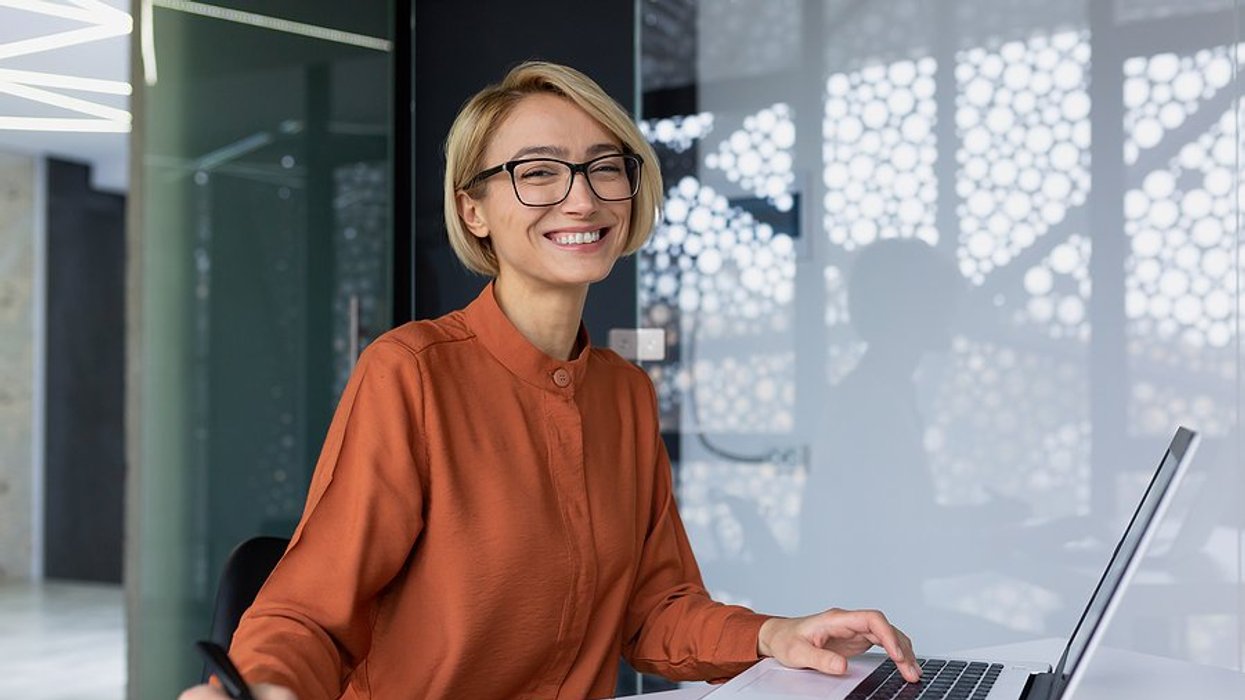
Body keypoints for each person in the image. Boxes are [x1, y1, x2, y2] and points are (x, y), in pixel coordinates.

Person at [179, 61, 920, 700]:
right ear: (473, 209)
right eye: (537, 173)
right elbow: (308, 610)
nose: (582, 198)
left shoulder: (625, 394)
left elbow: (653, 611)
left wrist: (774, 634)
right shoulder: (412, 373)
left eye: (605, 167)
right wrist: (264, 686)